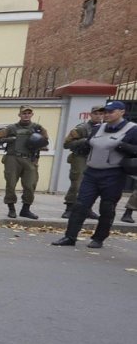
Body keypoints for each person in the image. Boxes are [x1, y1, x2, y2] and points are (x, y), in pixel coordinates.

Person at [53, 101, 137, 249]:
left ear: (122, 112)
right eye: (106, 112)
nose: (107, 114)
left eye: (111, 111)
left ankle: (98, 239)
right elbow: (87, 146)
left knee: (107, 207)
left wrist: (120, 145)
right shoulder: (98, 128)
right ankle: (70, 237)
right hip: (92, 172)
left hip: (113, 174)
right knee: (80, 205)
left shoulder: (132, 130)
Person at [0, 105, 49, 219]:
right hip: (13, 159)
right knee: (11, 184)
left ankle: (26, 209)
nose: (26, 115)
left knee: (30, 185)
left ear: (32, 115)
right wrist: (9, 139)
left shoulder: (38, 128)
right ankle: (11, 208)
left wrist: (37, 143)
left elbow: (45, 142)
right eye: (24, 113)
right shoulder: (11, 128)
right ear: (19, 115)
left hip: (30, 159)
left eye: (29, 113)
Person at [61, 105, 104, 219]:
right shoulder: (82, 128)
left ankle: (87, 209)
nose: (98, 116)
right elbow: (66, 144)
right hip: (81, 157)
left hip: (96, 158)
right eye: (96, 114)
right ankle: (69, 208)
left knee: (93, 186)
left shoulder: (105, 128)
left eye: (101, 114)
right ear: (91, 115)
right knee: (77, 183)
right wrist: (84, 140)